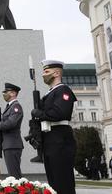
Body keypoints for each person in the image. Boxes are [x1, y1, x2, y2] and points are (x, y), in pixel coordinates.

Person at [31, 60, 77, 194]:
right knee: (53, 181)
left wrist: (40, 113)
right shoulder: (50, 93)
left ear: (57, 73)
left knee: (63, 181)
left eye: (46, 72)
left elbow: (60, 112)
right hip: (50, 138)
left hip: (60, 138)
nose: (43, 75)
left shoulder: (63, 90)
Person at [0, 83, 23, 178]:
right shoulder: (9, 107)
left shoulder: (16, 107)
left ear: (13, 93)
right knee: (12, 174)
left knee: (15, 175)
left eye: (6, 92)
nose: (4, 94)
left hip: (13, 144)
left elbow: (11, 123)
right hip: (8, 144)